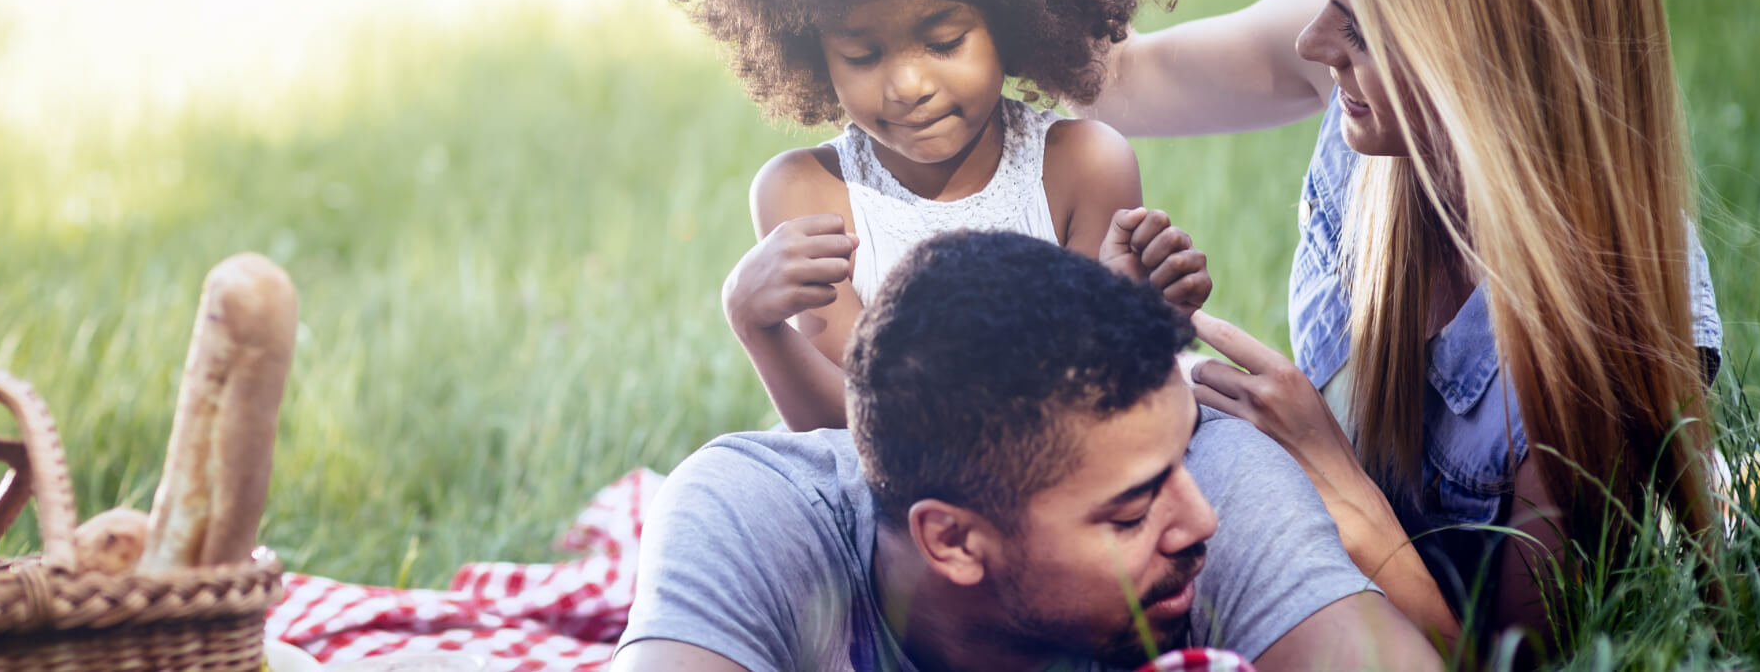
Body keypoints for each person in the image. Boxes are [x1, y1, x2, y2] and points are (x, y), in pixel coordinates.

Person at [1074, 0, 1726, 652]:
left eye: (1359, 28)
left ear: (1489, 60)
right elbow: (1118, 79)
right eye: (1329, 2)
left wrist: (1338, 487)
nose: (1315, 41)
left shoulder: (1594, 350)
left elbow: (1508, 663)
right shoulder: (1368, 75)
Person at [612, 230, 1437, 672]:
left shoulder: (1213, 483)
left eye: (1180, 463)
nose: (1200, 519)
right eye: (1131, 512)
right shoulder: (756, 518)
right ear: (954, 540)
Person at [679, 0, 1212, 432]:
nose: (908, 88)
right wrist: (753, 324)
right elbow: (846, 430)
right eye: (862, 56)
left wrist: (1145, 322)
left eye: (944, 42)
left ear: (1015, 22)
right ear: (813, 52)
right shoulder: (805, 191)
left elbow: (1093, 407)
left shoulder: (1083, 166)